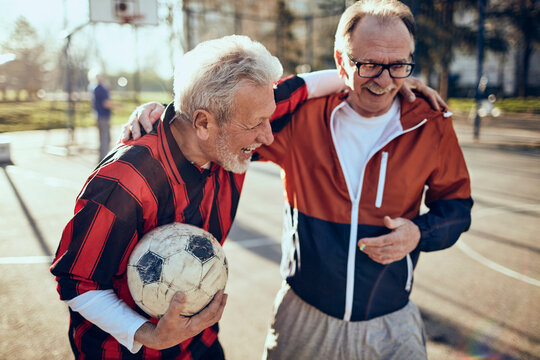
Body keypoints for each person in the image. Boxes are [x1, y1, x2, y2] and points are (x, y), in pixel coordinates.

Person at [129, 1, 472, 359]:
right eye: (369, 64)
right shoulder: (300, 117)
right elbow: (223, 123)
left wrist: (419, 233)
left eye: (398, 65)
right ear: (341, 60)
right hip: (304, 318)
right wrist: (167, 115)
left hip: (390, 323)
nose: (385, 80)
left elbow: (457, 206)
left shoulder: (431, 122)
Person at [50, 35, 302, 360]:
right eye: (257, 124)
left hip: (203, 347)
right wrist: (149, 335)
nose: (268, 135)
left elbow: (321, 81)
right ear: (203, 123)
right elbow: (76, 282)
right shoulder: (124, 180)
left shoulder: (236, 127)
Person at [92, 74, 113, 161]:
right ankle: (104, 159)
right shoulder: (102, 89)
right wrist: (117, 106)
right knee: (105, 139)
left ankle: (101, 157)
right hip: (104, 116)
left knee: (102, 138)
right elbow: (106, 103)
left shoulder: (96, 88)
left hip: (99, 116)